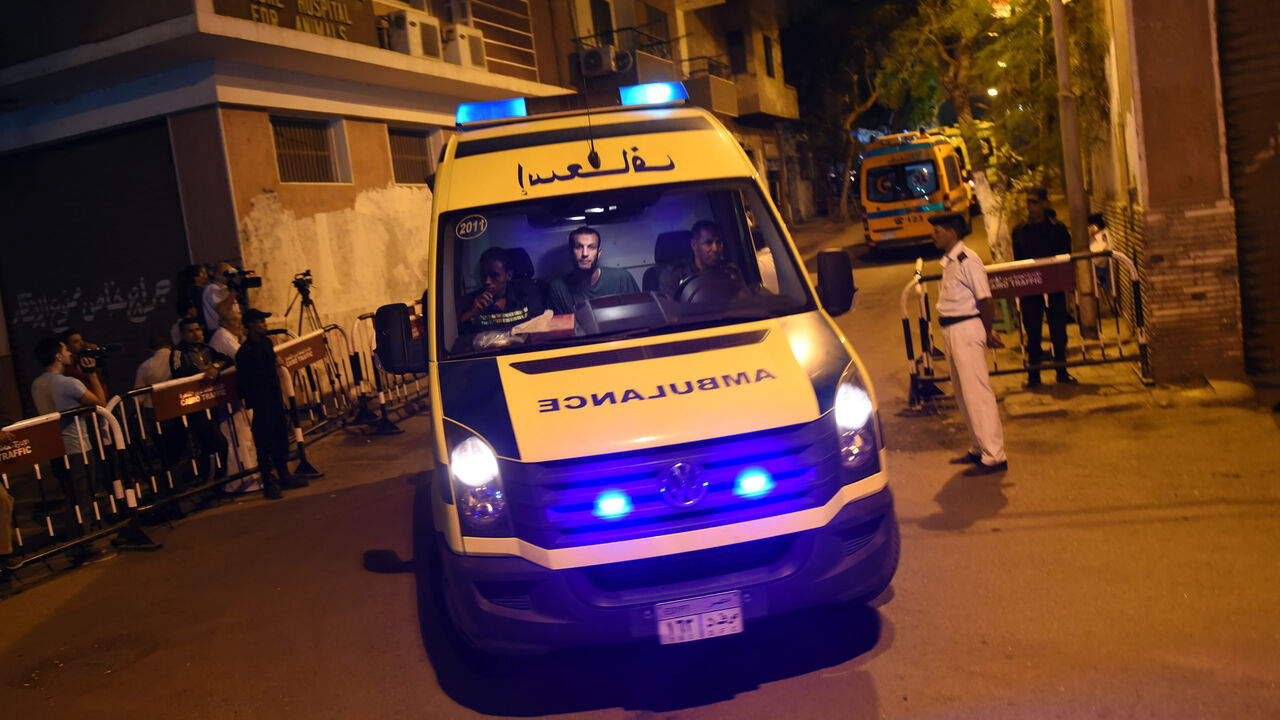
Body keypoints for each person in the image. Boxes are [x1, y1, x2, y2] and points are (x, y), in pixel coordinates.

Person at [930, 212, 1008, 476]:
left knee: (977, 393)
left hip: (966, 328)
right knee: (964, 394)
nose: (933, 236)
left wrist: (986, 333)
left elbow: (986, 300)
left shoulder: (968, 260)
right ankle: (978, 447)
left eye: (937, 231)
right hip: (952, 331)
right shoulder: (950, 261)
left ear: (952, 232)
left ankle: (995, 455)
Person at [30, 338, 116, 565]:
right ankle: (85, 549)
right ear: (58, 356)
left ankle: (74, 547)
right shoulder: (68, 383)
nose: (70, 352)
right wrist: (93, 374)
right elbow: (99, 403)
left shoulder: (37, 384)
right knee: (83, 499)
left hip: (56, 449)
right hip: (77, 449)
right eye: (66, 349)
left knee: (71, 499)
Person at [235, 309, 305, 500]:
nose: (264, 325)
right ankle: (269, 482)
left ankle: (284, 475)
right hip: (260, 402)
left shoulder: (266, 343)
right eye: (259, 322)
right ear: (249, 325)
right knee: (264, 442)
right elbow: (243, 383)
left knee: (280, 436)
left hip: (274, 398)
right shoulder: (244, 352)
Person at [1012, 187, 1076, 386]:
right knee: (1032, 331)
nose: (1031, 207)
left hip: (1054, 286)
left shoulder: (1057, 229)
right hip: (1031, 289)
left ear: (1045, 203)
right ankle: (1034, 375)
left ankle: (1061, 371)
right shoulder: (1020, 231)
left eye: (1035, 202)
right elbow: (1018, 260)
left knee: (1058, 330)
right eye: (1029, 202)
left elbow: (1066, 256)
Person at [170, 317, 232, 483]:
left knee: (209, 448)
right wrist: (200, 369)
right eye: (190, 331)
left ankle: (213, 486)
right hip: (194, 407)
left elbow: (226, 359)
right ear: (182, 334)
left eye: (197, 329)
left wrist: (215, 367)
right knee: (218, 444)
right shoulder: (178, 352)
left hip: (212, 403)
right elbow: (178, 371)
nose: (196, 334)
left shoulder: (206, 348)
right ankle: (213, 483)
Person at [207, 303, 259, 492]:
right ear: (224, 322)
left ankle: (251, 476)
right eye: (236, 321)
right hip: (227, 399)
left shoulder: (230, 336)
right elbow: (241, 357)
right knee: (236, 439)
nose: (240, 325)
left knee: (244, 437)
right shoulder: (222, 337)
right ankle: (239, 484)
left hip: (235, 397)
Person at [546, 226, 640, 314]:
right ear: (571, 252)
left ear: (599, 253)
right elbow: (560, 327)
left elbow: (639, 316)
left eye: (591, 247)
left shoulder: (622, 278)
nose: (585, 253)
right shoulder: (558, 288)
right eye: (579, 247)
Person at [459, 247, 544, 332]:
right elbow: (460, 336)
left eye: (494, 275)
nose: (487, 281)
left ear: (509, 275)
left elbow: (540, 326)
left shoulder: (526, 294)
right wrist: (471, 313)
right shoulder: (473, 302)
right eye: (483, 275)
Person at [657, 220, 742, 299]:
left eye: (719, 242)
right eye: (708, 242)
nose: (715, 248)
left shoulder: (730, 272)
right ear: (694, 245)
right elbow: (672, 312)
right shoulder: (674, 275)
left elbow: (744, 303)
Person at [202, 261, 237, 334]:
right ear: (217, 275)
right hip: (219, 331)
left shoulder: (226, 288)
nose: (229, 276)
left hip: (232, 329)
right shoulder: (212, 289)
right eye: (226, 273)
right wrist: (235, 290)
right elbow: (223, 311)